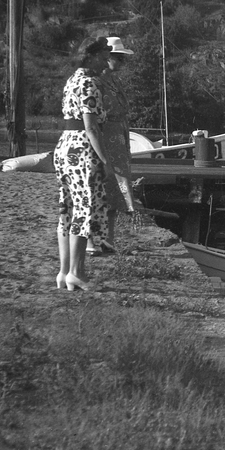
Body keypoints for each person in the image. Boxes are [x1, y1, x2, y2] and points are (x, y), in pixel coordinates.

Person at [53, 37, 110, 291]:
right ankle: (77, 273)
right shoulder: (89, 83)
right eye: (103, 55)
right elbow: (91, 126)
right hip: (82, 150)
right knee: (84, 208)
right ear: (91, 57)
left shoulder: (72, 80)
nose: (106, 60)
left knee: (67, 208)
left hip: (65, 146)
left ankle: (64, 271)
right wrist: (105, 159)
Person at [89, 36, 136, 255]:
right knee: (98, 189)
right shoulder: (96, 82)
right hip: (105, 139)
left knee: (116, 191)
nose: (122, 63)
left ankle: (109, 239)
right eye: (119, 58)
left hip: (119, 140)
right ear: (107, 58)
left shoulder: (113, 82)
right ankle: (91, 239)